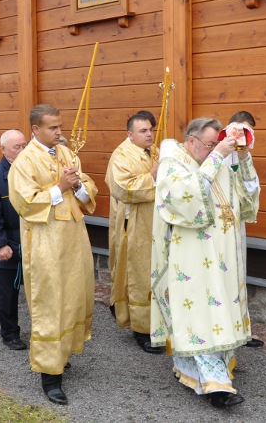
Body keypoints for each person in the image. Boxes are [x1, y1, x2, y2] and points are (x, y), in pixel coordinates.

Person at [149, 118, 260, 408]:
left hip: (223, 259)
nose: (215, 149)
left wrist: (243, 155)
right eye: (210, 144)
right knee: (200, 314)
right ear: (192, 141)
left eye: (216, 144)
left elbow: (247, 197)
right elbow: (186, 200)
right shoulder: (175, 162)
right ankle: (217, 387)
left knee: (212, 312)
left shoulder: (215, 159)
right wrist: (218, 154)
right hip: (192, 260)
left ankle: (192, 371)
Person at [8, 104, 97, 405]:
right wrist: (60, 187)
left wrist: (79, 185)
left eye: (60, 126)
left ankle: (63, 355)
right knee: (50, 304)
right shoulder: (23, 162)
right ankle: (50, 376)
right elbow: (25, 202)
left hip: (72, 241)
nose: (60, 132)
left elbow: (87, 189)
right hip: (45, 245)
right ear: (36, 129)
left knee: (72, 297)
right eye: (53, 127)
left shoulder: (67, 153)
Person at [105, 111, 163, 354]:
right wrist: (154, 174)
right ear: (130, 134)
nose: (149, 134)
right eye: (143, 131)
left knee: (155, 272)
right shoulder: (121, 156)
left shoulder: (155, 150)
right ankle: (141, 329)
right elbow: (123, 188)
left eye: (151, 129)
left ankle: (157, 322)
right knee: (139, 275)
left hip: (156, 222)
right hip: (134, 226)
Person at [0, 129, 28, 351]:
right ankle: (9, 333)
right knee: (8, 294)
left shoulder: (30, 171)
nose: (22, 150)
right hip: (8, 243)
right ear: (3, 149)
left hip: (32, 242)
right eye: (16, 147)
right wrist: (0, 244)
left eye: (24, 145)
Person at [226, 110, 264, 349]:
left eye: (245, 132)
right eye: (236, 130)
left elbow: (251, 189)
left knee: (238, 273)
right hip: (216, 224)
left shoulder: (245, 157)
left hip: (235, 223)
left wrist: (243, 156)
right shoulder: (216, 151)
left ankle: (241, 328)